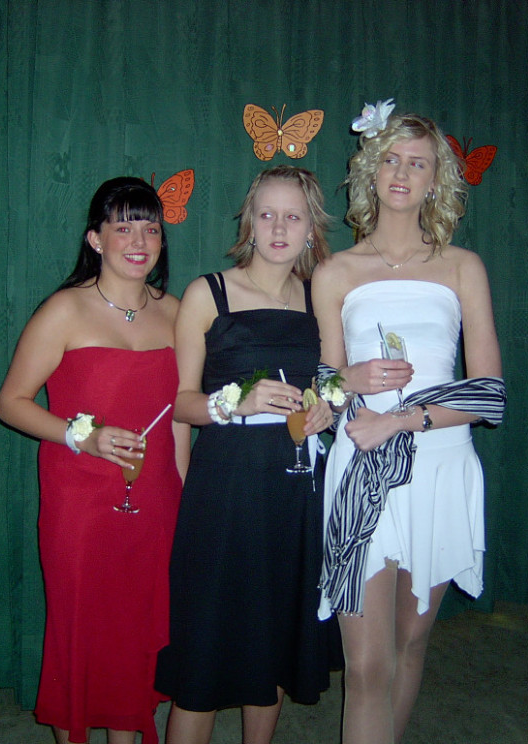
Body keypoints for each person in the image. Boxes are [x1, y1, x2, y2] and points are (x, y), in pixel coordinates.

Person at [312, 105, 506, 744]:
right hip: (363, 468)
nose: (402, 172)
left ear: (434, 180)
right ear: (371, 170)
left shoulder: (462, 266)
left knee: (410, 643)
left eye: (417, 163)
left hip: (441, 469)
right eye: (391, 159)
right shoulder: (335, 272)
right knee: (367, 666)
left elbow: (489, 395)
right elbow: (325, 387)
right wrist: (351, 380)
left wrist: (402, 419)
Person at [0, 177, 189, 744]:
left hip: (154, 500)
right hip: (79, 504)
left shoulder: (177, 312)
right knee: (81, 636)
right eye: (123, 227)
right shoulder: (64, 309)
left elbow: (179, 414)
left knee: (135, 633)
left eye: (150, 228)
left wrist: (181, 491)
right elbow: (11, 403)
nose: (139, 241)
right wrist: (83, 437)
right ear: (96, 239)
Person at [155, 165, 337, 744]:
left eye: (293, 216)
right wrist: (236, 401)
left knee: (275, 643)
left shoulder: (320, 298)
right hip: (226, 491)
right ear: (249, 222)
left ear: (311, 228)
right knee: (205, 654)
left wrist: (327, 410)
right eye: (267, 214)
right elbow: (180, 404)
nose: (279, 228)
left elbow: (331, 386)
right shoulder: (206, 293)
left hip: (296, 494)